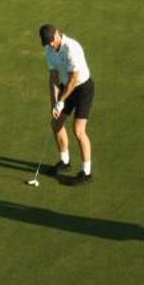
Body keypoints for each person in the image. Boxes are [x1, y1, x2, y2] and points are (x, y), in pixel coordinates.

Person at [39, 23, 95, 184]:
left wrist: (61, 100)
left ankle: (86, 172)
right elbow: (54, 77)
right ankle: (64, 161)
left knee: (78, 130)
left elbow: (73, 79)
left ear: (57, 34)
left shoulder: (72, 48)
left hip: (83, 88)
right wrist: (54, 103)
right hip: (65, 88)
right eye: (46, 42)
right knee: (56, 124)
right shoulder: (49, 50)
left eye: (51, 40)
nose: (50, 44)